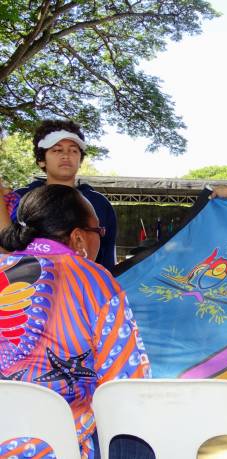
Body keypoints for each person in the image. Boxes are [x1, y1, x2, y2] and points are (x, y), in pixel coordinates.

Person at [0, 185, 151, 458]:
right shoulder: (96, 280)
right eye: (99, 232)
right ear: (79, 238)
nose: (100, 240)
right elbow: (127, 383)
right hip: (61, 446)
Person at [1, 119, 117, 269]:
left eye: (73, 150)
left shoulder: (99, 203)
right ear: (41, 160)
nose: (66, 155)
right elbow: (5, 244)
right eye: (57, 150)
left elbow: (107, 256)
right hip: (27, 285)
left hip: (83, 287)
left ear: (80, 160)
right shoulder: (19, 199)